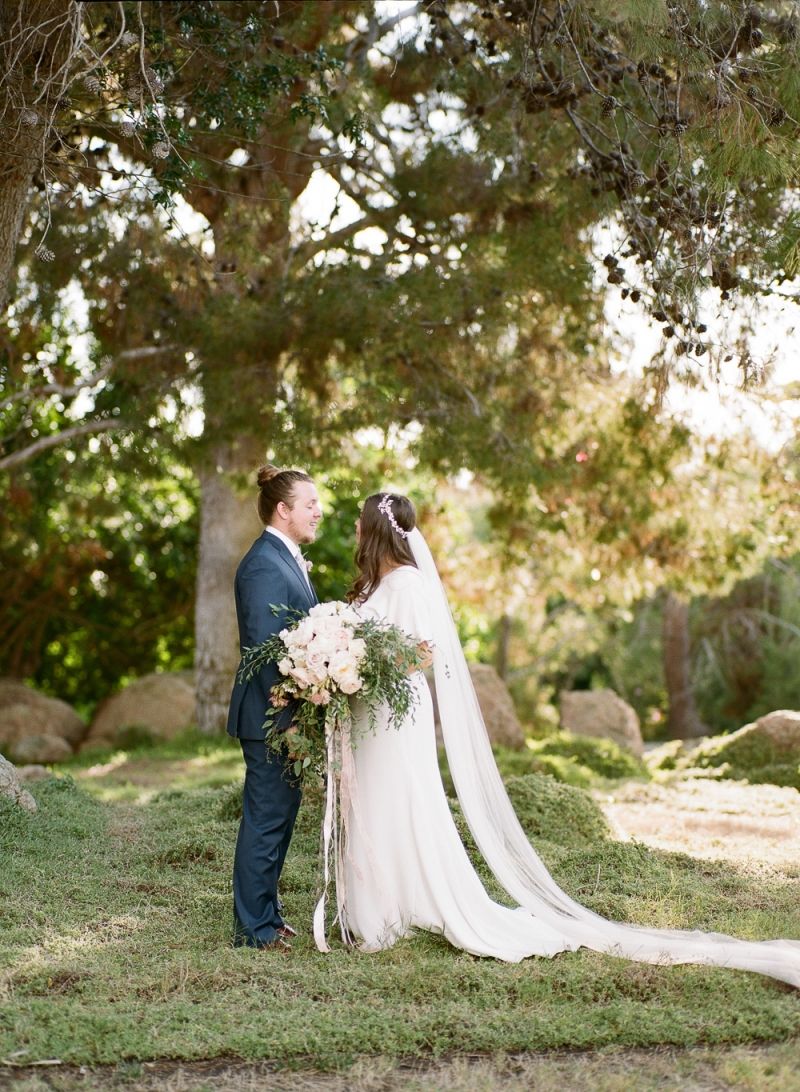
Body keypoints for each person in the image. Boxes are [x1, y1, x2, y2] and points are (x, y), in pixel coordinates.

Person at [339, 492, 800, 986]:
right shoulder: (375, 587)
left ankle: (400, 906)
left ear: (376, 528)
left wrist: (365, 664)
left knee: (398, 799)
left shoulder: (408, 584)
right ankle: (385, 905)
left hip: (396, 712)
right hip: (374, 713)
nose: (357, 534)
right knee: (376, 800)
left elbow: (422, 656)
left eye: (362, 525)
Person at [227, 465, 321, 950]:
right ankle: (253, 930)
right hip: (271, 715)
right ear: (283, 509)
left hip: (288, 715)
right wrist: (287, 717)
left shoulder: (287, 557)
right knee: (265, 820)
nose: (317, 511)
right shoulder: (264, 562)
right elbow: (267, 648)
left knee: (280, 821)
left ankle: (267, 915)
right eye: (309, 503)